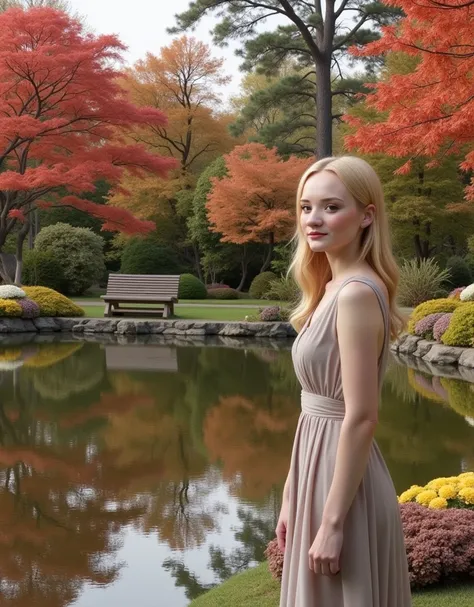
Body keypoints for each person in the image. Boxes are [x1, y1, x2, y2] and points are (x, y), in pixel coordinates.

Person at [277, 156, 412, 606]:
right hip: (316, 471)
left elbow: (361, 416)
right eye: (306, 206)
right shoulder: (329, 288)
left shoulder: (355, 294)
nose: (314, 219)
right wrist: (291, 496)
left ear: (367, 215)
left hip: (342, 483)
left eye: (331, 207)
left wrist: (333, 523)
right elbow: (311, 410)